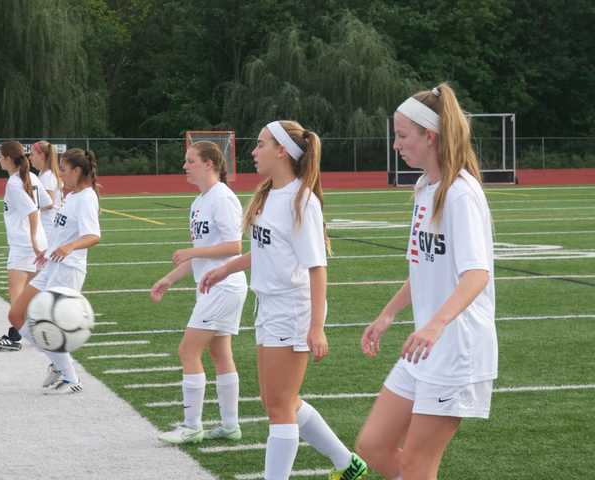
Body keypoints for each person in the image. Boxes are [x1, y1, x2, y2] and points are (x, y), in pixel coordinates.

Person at [200, 121, 367, 480]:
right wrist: (227, 268)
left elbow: (317, 268)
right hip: (269, 306)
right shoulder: (268, 194)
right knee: (280, 401)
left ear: (282, 152)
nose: (253, 151)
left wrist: (316, 327)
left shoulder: (301, 201)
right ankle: (346, 463)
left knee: (278, 405)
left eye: (260, 145)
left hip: (292, 309)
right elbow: (266, 251)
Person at [355, 83, 497, 480]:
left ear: (429, 137)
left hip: (457, 348)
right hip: (426, 346)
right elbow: (422, 267)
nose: (396, 144)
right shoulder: (424, 189)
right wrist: (387, 315)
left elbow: (476, 274)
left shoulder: (460, 194)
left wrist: (435, 324)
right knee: (373, 446)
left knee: (419, 463)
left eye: (402, 135)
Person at [151, 141, 248, 444]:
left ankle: (192, 426)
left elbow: (235, 247)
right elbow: (201, 257)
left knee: (187, 350)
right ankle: (230, 426)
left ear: (209, 164)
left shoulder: (223, 198)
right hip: (211, 286)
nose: (185, 166)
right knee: (220, 353)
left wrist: (194, 250)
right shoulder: (198, 202)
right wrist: (169, 278)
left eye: (190, 160)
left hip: (224, 286)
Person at [5, 148, 101, 393]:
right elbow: (62, 233)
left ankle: (71, 378)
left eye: (65, 170)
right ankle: (58, 363)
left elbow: (93, 235)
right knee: (16, 316)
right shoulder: (71, 196)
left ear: (78, 171)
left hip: (68, 270)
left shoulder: (87, 197)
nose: (62, 176)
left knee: (49, 324)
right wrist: (45, 253)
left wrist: (69, 247)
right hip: (51, 264)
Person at [0, 140, 51, 352]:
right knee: (33, 293)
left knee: (17, 294)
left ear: (8, 158)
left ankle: (15, 337)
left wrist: (33, 240)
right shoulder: (32, 177)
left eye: (0, 156)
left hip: (24, 245)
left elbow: (33, 211)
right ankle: (42, 329)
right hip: (36, 242)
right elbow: (47, 203)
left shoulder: (14, 183)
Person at [29, 140, 63, 243]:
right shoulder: (43, 174)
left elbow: (49, 203)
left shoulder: (47, 176)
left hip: (48, 226)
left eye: (32, 154)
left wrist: (29, 209)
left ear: (42, 156)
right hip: (47, 225)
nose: (29, 157)